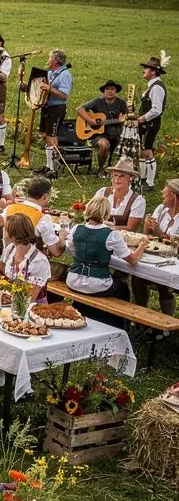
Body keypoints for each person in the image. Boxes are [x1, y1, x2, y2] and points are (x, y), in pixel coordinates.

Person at [65, 194, 146, 308]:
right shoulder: (111, 235)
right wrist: (141, 247)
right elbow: (132, 260)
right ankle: (118, 322)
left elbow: (72, 247)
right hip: (97, 285)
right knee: (122, 286)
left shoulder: (76, 228)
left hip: (73, 280)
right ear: (106, 213)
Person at [132, 178, 179, 317]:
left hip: (174, 261)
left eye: (165, 194)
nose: (162, 196)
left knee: (162, 283)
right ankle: (142, 314)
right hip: (157, 258)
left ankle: (167, 320)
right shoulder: (161, 209)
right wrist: (147, 227)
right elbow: (147, 236)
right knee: (137, 276)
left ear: (174, 197)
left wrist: (158, 231)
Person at [0, 213, 51, 301]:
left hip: (32, 309)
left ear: (13, 236)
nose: (2, 229)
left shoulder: (38, 261)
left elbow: (28, 299)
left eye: (5, 228)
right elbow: (0, 283)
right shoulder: (10, 249)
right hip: (11, 303)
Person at [75, 80, 129, 172]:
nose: (110, 91)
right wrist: (90, 120)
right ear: (104, 91)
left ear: (116, 91)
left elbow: (127, 118)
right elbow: (79, 109)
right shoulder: (97, 101)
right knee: (104, 144)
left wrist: (122, 120)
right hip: (98, 135)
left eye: (112, 89)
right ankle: (101, 169)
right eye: (107, 89)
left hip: (116, 134)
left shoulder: (121, 103)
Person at [11, 175, 68, 257]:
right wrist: (62, 236)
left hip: (8, 257)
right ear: (45, 196)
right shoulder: (42, 219)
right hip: (30, 263)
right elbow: (56, 251)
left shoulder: (9, 208)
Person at [137, 54, 169, 189]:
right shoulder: (153, 86)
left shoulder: (156, 87)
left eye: (146, 68)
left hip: (150, 124)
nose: (144, 70)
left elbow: (157, 109)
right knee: (144, 150)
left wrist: (141, 119)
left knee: (148, 151)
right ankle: (143, 179)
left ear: (153, 71)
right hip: (148, 124)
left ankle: (149, 182)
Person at [40, 49, 72, 174]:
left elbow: (64, 95)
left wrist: (49, 88)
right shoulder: (50, 73)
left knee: (51, 137)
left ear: (56, 61)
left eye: (49, 57)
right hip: (46, 107)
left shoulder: (65, 75)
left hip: (56, 108)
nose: (47, 59)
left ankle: (53, 169)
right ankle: (48, 165)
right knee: (44, 135)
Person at [99, 158, 146, 231]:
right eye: (115, 175)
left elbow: (130, 228)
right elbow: (91, 216)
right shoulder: (102, 192)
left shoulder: (138, 201)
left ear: (131, 178)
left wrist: (109, 227)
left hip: (122, 240)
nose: (117, 180)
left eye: (121, 176)